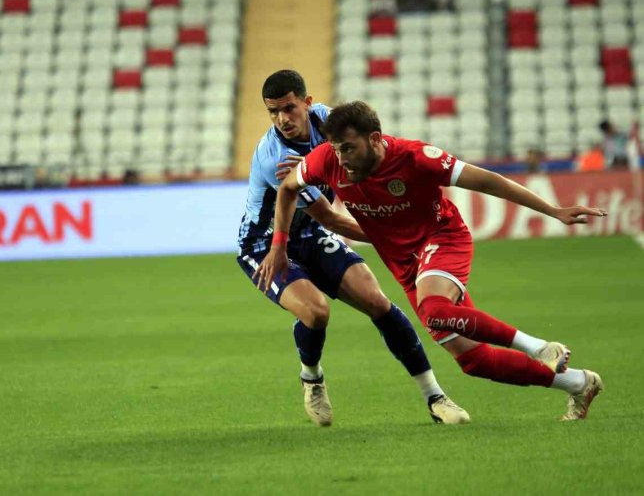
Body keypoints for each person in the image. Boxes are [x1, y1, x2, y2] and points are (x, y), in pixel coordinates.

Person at [259, 101, 605, 421]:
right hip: (406, 265)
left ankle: (540, 347)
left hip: (443, 238)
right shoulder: (328, 161)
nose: (342, 158)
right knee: (475, 361)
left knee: (434, 310)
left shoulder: (415, 157)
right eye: (335, 148)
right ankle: (579, 384)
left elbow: (487, 180)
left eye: (348, 147)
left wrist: (553, 210)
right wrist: (279, 245)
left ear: (375, 139)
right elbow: (288, 188)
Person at [238, 70, 469, 427]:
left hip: (310, 233)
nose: (283, 119)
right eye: (273, 112)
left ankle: (435, 396)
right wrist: (397, 234)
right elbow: (332, 219)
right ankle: (311, 377)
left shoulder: (329, 123)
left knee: (378, 302)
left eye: (289, 108)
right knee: (316, 312)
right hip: (265, 244)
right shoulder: (275, 158)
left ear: (307, 103)